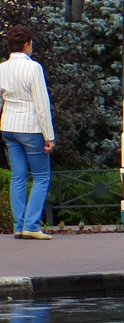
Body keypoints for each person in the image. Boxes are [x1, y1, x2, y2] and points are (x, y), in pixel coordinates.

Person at [0, 25, 55, 240]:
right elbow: (42, 104)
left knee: (18, 176)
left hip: (8, 127)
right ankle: (31, 225)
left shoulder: (2, 68)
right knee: (41, 176)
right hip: (31, 129)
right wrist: (49, 137)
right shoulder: (34, 68)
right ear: (26, 45)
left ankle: (18, 225)